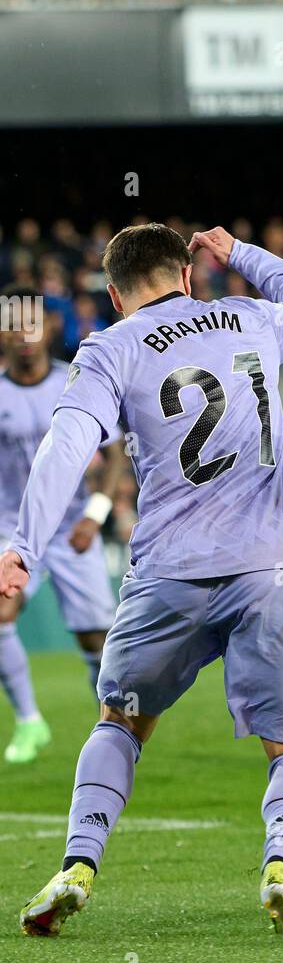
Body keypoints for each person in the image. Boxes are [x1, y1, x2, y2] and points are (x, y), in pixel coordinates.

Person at [0, 224, 283, 937]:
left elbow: (66, 448)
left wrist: (20, 547)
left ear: (118, 294)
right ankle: (281, 865)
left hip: (165, 575)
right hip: (267, 571)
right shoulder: (253, 317)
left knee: (120, 722)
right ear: (187, 274)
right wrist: (240, 252)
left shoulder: (110, 348)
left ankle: (77, 866)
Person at [0, 287, 125, 764]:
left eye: (34, 326)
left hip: (73, 525)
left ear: (50, 330)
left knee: (95, 637)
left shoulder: (74, 383)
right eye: (15, 327)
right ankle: (30, 721)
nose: (25, 337)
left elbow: (114, 451)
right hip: (12, 528)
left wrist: (96, 514)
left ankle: (112, 733)